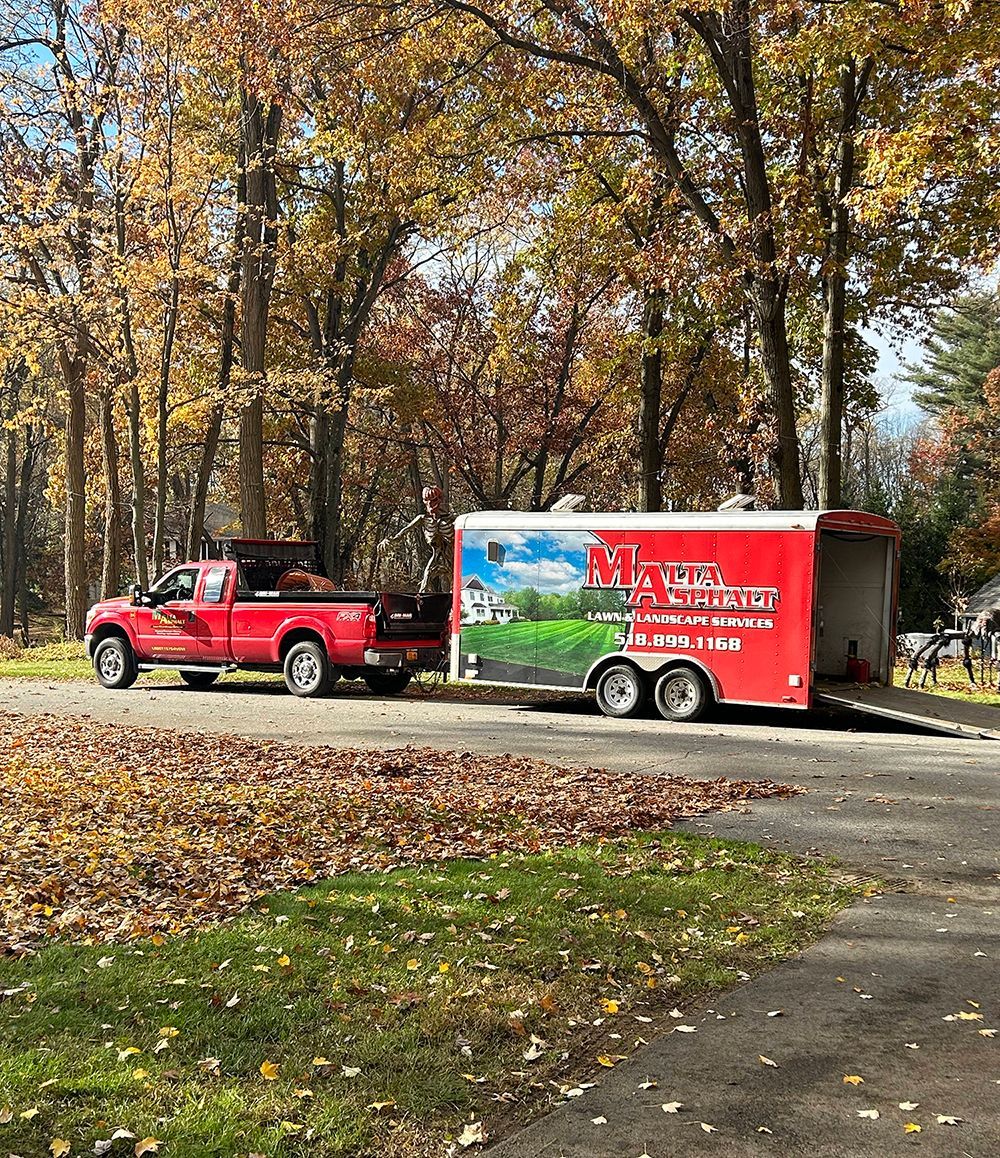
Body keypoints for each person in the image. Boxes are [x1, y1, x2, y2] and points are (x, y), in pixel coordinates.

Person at [378, 486, 454, 594]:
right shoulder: (422, 519)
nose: (431, 504)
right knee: (426, 577)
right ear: (425, 502)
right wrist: (390, 540)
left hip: (450, 556)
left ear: (440, 500)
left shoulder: (451, 519)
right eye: (428, 501)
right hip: (436, 554)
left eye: (434, 500)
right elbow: (405, 531)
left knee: (455, 581)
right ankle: (421, 602)